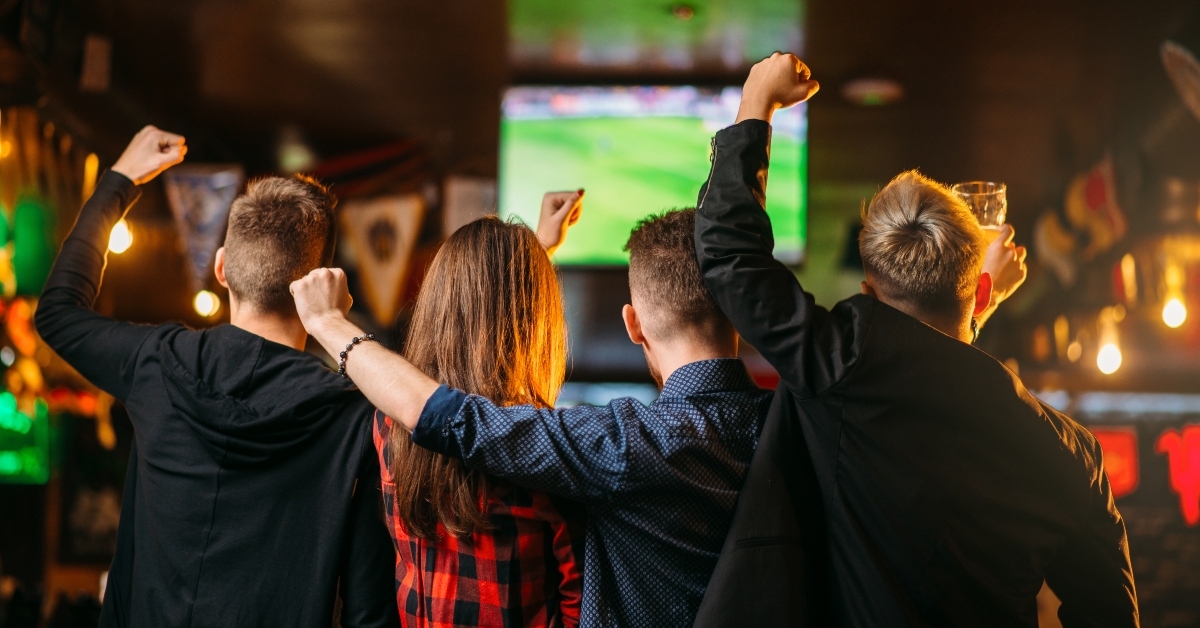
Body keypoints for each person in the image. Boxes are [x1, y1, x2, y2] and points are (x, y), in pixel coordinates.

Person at [692, 54, 1138, 627]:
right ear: (976, 292)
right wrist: (976, 301)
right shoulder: (1072, 456)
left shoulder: (837, 362)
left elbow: (729, 254)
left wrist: (758, 101)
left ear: (870, 289)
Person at [290, 204, 773, 627]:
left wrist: (328, 323)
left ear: (634, 324)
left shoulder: (389, 427)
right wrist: (527, 267)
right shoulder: (780, 422)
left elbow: (441, 409)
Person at [35, 127, 398, 627]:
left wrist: (119, 181)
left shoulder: (157, 362)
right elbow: (369, 608)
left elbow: (57, 312)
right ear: (323, 285)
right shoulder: (355, 417)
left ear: (222, 268)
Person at [370, 212, 584, 627]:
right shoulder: (544, 441)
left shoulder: (390, 422)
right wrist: (527, 271)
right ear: (536, 319)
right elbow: (580, 600)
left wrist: (534, 254)